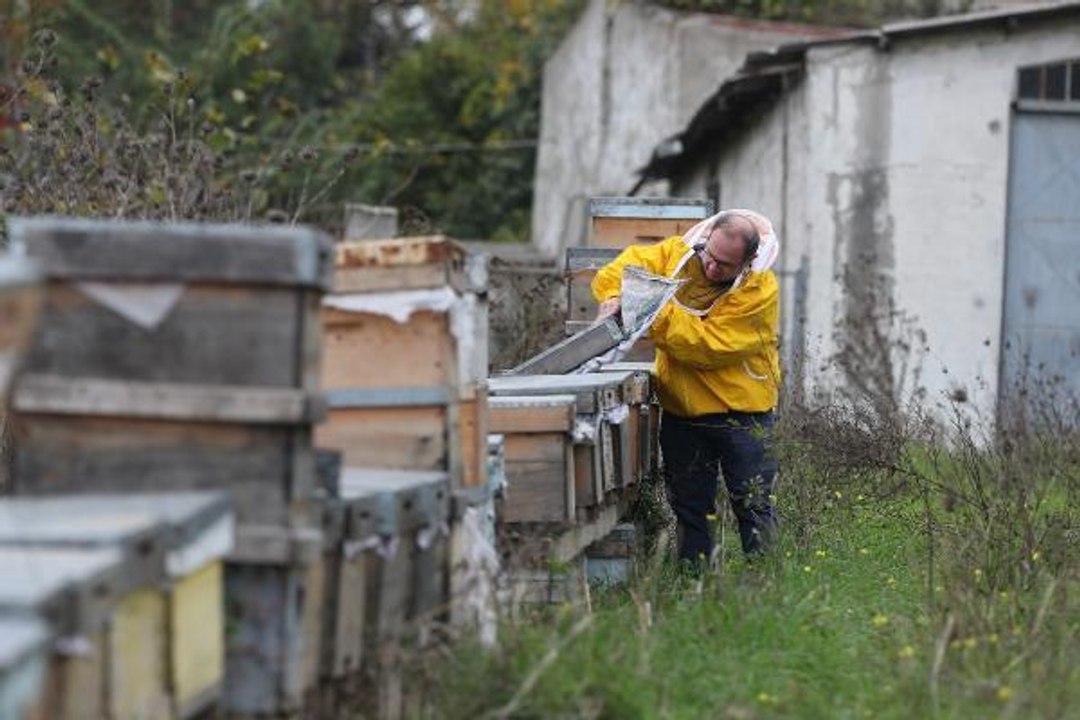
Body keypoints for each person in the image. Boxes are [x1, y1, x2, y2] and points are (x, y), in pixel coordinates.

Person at [592, 209, 781, 562]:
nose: (712, 269)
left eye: (725, 265)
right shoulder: (677, 253)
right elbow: (625, 267)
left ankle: (765, 586)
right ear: (705, 241)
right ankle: (694, 585)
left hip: (744, 416)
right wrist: (618, 295)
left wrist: (650, 306)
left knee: (754, 507)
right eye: (709, 256)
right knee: (691, 510)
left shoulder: (760, 291)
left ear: (748, 262)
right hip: (683, 412)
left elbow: (707, 347)